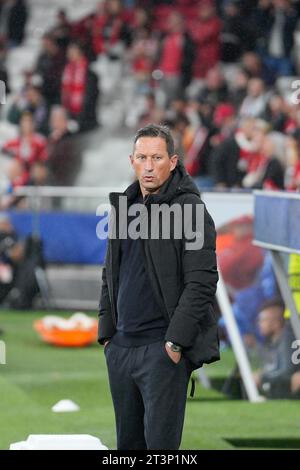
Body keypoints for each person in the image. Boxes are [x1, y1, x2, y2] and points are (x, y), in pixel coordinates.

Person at [98, 124, 219, 450]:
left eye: (157, 157)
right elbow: (110, 272)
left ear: (173, 161)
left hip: (162, 352)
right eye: (142, 157)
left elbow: (202, 282)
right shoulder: (124, 207)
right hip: (121, 349)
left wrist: (175, 343)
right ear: (132, 160)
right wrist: (107, 334)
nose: (148, 166)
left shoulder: (190, 209)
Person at [253, 298, 300, 398]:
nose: (259, 324)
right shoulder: (271, 342)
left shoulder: (287, 339)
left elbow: (287, 372)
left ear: (276, 323)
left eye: (263, 320)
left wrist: (262, 377)